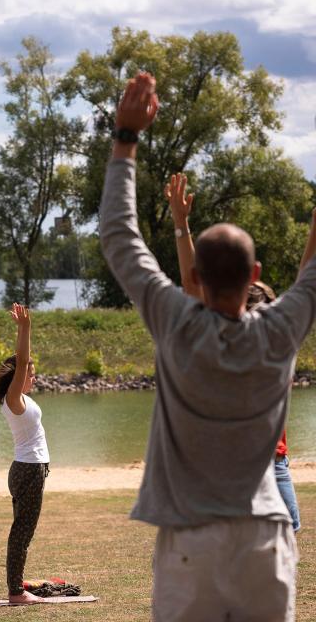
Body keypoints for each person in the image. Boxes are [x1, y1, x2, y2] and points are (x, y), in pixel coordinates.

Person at [99, 72, 316, 621]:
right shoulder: (280, 328)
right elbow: (312, 273)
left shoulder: (176, 322)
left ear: (195, 273)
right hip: (266, 537)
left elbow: (120, 236)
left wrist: (126, 138)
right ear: (257, 275)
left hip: (192, 538)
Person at [164, 172, 316, 532]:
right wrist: (181, 227)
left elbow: (307, 280)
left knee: (286, 531)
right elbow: (191, 283)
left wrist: (181, 224)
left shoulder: (275, 342)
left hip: (271, 461)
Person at [0, 303, 49, 604]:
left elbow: (24, 365)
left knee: (24, 531)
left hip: (29, 469)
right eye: (30, 374)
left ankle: (18, 583)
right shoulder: (14, 398)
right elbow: (23, 361)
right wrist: (24, 329)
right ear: (19, 376)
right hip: (28, 470)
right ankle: (16, 592)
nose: (33, 378)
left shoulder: (19, 399)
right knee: (22, 532)